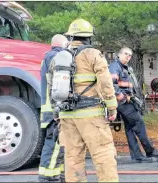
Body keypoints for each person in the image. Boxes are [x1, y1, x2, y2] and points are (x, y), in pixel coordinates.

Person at [50, 18, 119, 182]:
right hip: (91, 115)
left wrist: (56, 111)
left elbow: (51, 86)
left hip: (67, 116)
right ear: (89, 37)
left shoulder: (59, 58)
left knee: (73, 159)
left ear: (71, 37)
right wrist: (112, 107)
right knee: (103, 155)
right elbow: (105, 83)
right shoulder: (93, 54)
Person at [109, 47, 158, 163]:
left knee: (130, 128)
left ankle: (137, 156)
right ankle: (150, 151)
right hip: (123, 102)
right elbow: (111, 85)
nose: (127, 57)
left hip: (125, 101)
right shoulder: (115, 67)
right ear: (119, 54)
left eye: (129, 55)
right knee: (139, 123)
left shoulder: (125, 68)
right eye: (125, 54)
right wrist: (123, 97)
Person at [38, 34, 68, 182]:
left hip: (48, 109)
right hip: (54, 110)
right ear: (63, 44)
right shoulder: (56, 57)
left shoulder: (47, 57)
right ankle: (48, 177)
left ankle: (58, 174)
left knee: (58, 144)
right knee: (54, 143)